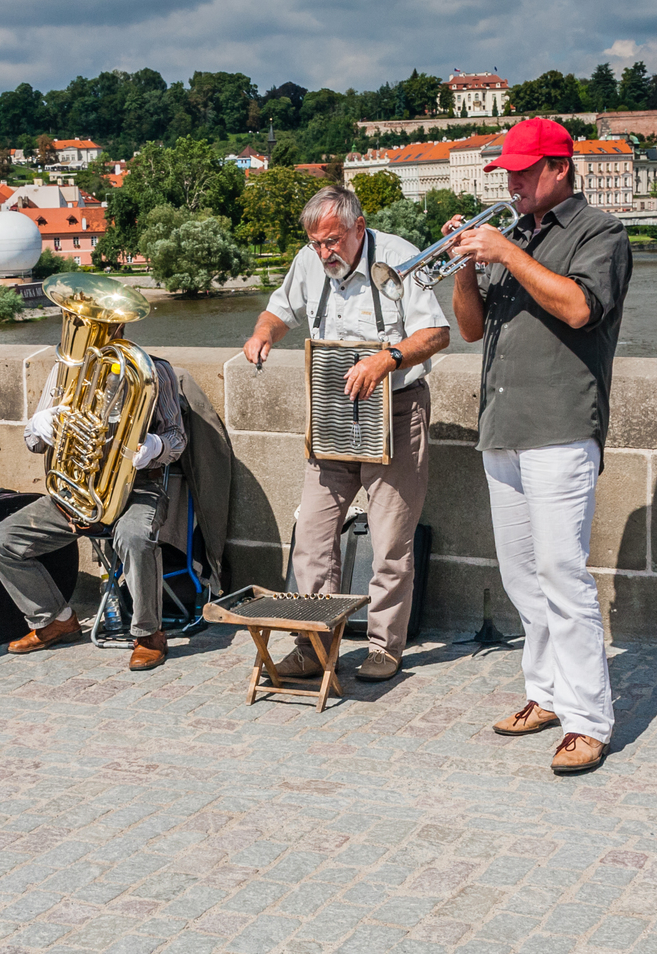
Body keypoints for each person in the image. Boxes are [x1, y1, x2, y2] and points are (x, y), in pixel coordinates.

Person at [448, 118, 632, 775]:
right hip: (504, 425)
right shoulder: (513, 237)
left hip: (560, 425)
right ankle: (545, 692)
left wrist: (506, 254)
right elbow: (470, 329)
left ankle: (588, 720)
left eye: (524, 172)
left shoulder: (598, 233)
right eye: (508, 173)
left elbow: (580, 309)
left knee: (563, 575)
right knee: (523, 578)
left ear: (560, 167)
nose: (513, 183)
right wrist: (466, 267)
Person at [243, 185, 450, 682]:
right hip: (331, 417)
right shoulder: (308, 261)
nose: (324, 253)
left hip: (396, 412)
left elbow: (438, 334)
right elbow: (278, 311)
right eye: (316, 243)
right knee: (312, 540)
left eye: (332, 241)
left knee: (390, 543)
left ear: (359, 226)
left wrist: (385, 359)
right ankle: (313, 646)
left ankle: (385, 647)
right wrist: (261, 335)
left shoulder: (400, 259)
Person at [0, 352, 187, 671]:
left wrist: (155, 446)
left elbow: (177, 438)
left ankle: (149, 635)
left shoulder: (154, 369)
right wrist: (39, 426)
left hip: (137, 488)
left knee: (134, 537)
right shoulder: (62, 370)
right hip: (76, 490)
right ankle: (55, 620)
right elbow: (33, 443)